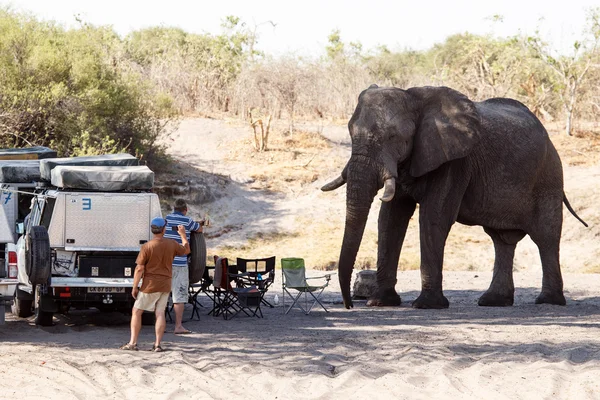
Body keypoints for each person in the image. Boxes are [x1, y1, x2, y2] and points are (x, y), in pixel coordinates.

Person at [120, 217, 190, 352]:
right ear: (164, 229)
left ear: (152, 230)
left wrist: (135, 286)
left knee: (137, 311)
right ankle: (157, 344)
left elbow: (139, 268)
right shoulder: (172, 244)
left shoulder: (147, 246)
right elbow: (186, 250)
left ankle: (132, 343)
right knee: (160, 313)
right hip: (165, 284)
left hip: (150, 284)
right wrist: (183, 235)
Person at [164, 199, 203, 334]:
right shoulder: (187, 221)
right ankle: (178, 326)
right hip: (180, 263)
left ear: (174, 208)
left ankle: (160, 325)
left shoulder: (166, 219)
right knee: (179, 294)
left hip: (166, 263)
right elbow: (199, 229)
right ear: (185, 210)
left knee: (163, 294)